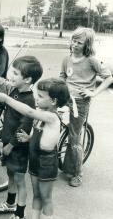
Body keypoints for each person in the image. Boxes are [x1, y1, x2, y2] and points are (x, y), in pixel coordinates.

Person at [0, 78, 70, 219]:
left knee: (45, 197)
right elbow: (39, 135)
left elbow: (29, 112)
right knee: (36, 195)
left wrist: (7, 99)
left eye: (40, 96)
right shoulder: (42, 114)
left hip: (46, 162)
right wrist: (29, 139)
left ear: (53, 101)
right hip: (35, 159)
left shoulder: (51, 117)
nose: (36, 98)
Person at [0, 55, 43, 219]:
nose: (10, 75)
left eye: (15, 73)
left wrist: (10, 145)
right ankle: (10, 204)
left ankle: (19, 214)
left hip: (18, 149)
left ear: (27, 79)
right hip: (7, 142)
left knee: (20, 181)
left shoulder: (29, 100)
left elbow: (25, 127)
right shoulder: (13, 90)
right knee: (11, 176)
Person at [60, 27, 113, 187]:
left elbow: (108, 78)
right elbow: (62, 77)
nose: (75, 44)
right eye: (73, 41)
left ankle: (78, 173)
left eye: (79, 42)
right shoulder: (66, 58)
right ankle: (65, 164)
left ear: (87, 45)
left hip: (80, 103)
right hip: (65, 98)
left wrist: (94, 93)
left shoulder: (91, 60)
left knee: (75, 138)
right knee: (52, 125)